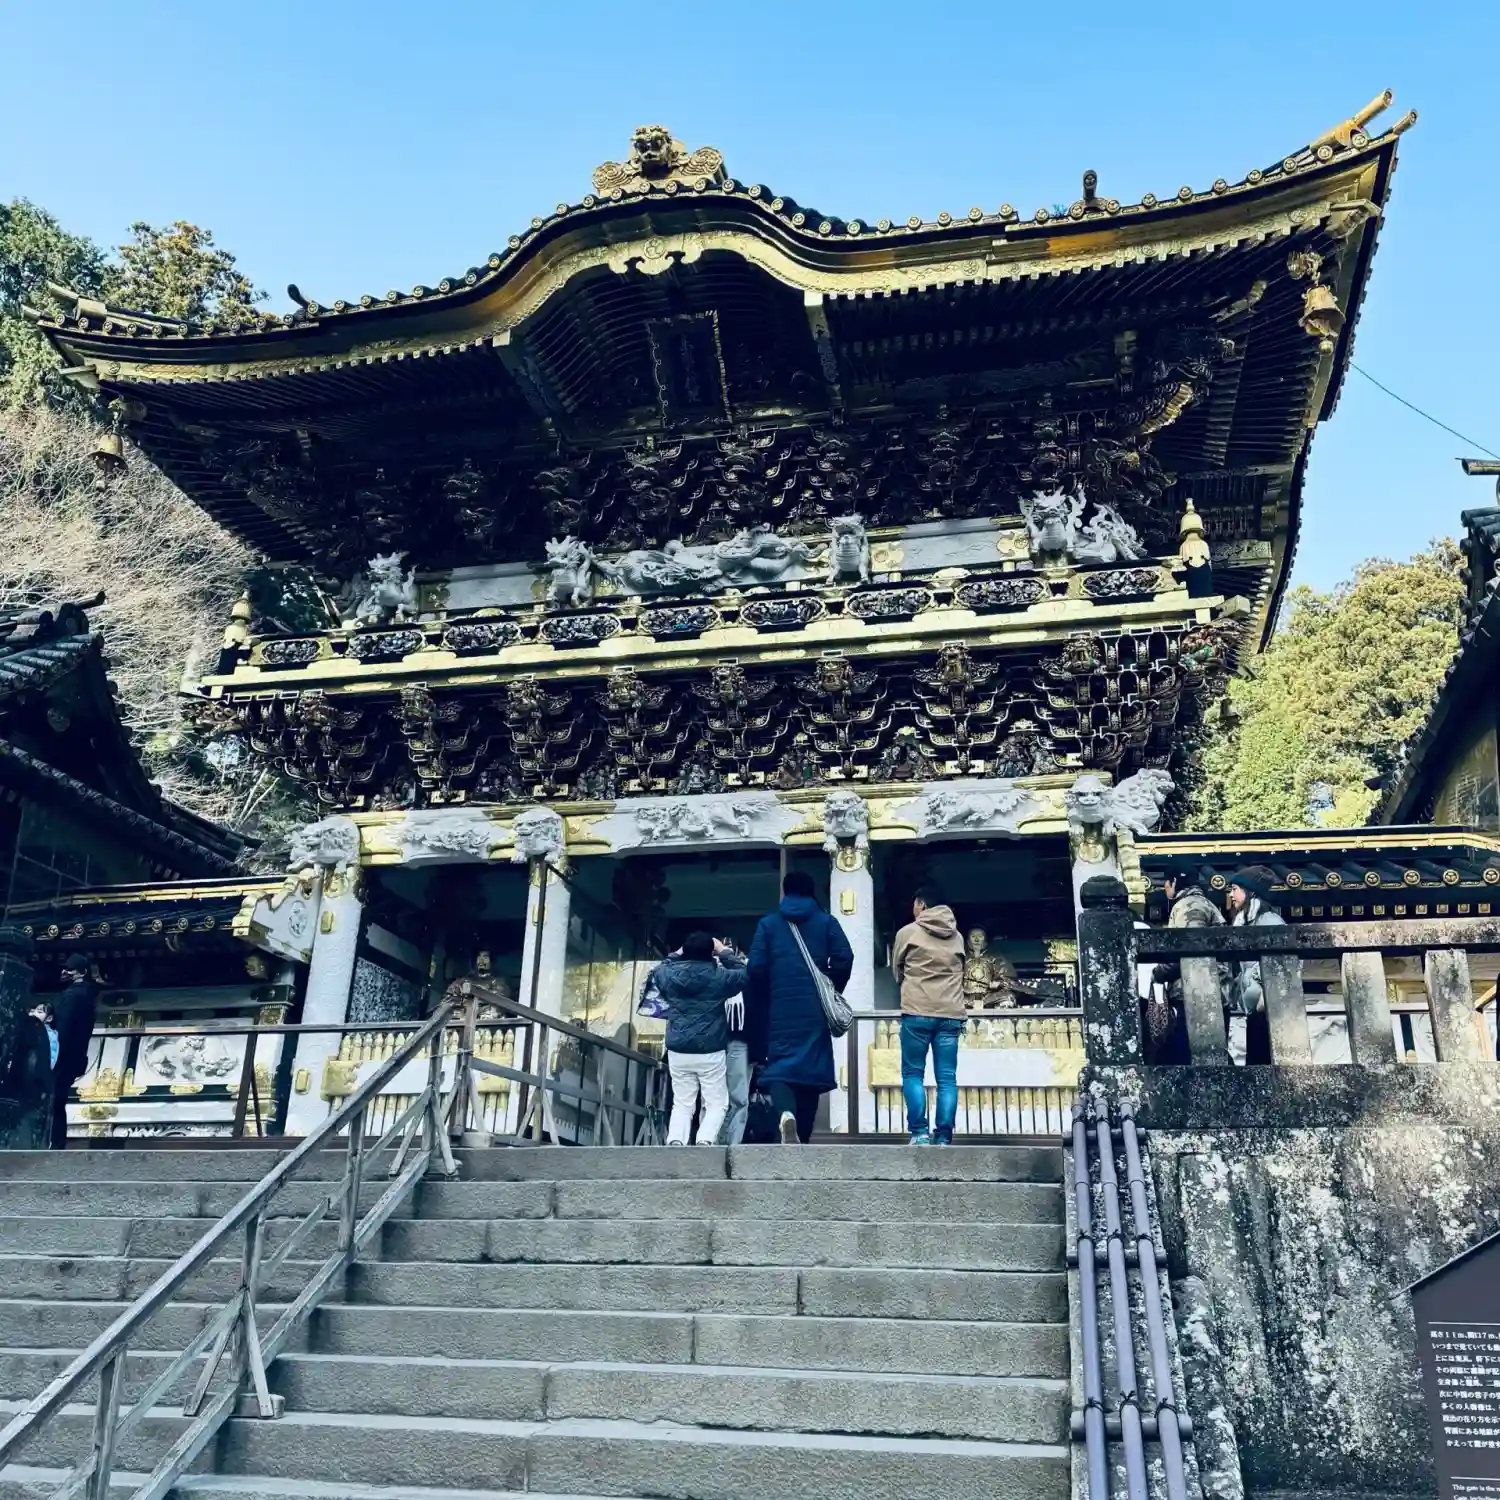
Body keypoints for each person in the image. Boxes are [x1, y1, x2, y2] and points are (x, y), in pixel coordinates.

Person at [746, 870, 854, 1144]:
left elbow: (756, 967)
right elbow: (844, 957)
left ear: (784, 892)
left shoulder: (768, 924)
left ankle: (785, 1114)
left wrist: (766, 994)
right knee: (811, 1067)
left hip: (779, 1007)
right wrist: (830, 987)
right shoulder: (826, 921)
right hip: (814, 1007)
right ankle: (802, 1137)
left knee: (780, 1066)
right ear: (811, 891)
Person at [654, 931, 746, 1146]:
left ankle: (676, 1140)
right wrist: (724, 951)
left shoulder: (669, 976)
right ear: (710, 953)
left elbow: (658, 970)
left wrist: (677, 953)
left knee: (682, 1102)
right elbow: (744, 974)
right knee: (716, 1103)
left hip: (678, 1049)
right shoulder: (719, 978)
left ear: (685, 951)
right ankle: (705, 1140)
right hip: (710, 1049)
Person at [892, 885, 966, 1145]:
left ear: (921, 905)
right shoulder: (957, 937)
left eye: (915, 904)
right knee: (947, 1077)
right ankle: (943, 1137)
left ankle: (920, 1133)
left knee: (913, 1073)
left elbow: (897, 971)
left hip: (917, 1011)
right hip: (951, 1014)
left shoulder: (907, 933)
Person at [1145, 858, 1224, 1065]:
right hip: (1207, 990)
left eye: (1166, 883)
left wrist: (1159, 972)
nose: (1165, 888)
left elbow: (1190, 948)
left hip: (1198, 992)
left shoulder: (1189, 906)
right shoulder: (1202, 903)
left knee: (1190, 1055)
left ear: (1174, 882)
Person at [1224, 866, 1285, 1066]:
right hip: (1253, 1009)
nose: (1231, 894)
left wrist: (1265, 992)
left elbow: (1284, 961)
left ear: (1250, 892)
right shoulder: (1247, 922)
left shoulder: (1268, 920)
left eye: (1235, 889)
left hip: (1266, 1008)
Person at [50, 954, 99, 1149]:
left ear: (82, 972)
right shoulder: (87, 995)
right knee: (58, 1099)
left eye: (70, 969)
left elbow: (64, 1027)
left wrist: (53, 1052)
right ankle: (56, 1142)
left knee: (53, 1099)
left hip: (63, 1055)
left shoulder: (74, 996)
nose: (65, 972)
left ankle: (53, 1142)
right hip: (74, 1057)